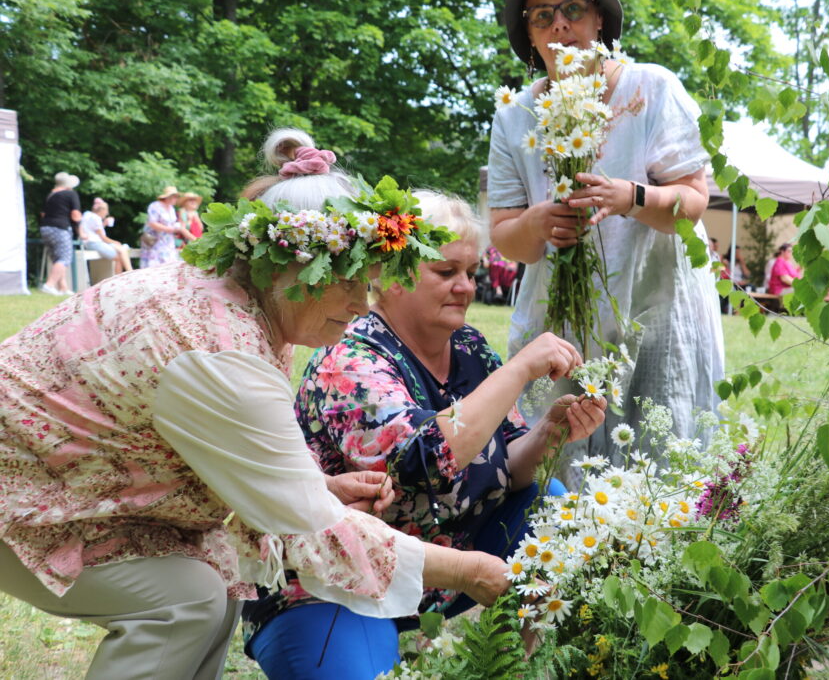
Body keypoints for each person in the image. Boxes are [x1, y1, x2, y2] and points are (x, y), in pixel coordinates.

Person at [0, 129, 511, 679]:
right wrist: (467, 571)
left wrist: (313, 491)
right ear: (288, 265)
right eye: (348, 283)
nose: (362, 305)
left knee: (208, 586)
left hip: (69, 485)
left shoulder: (234, 304)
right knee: (183, 601)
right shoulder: (217, 348)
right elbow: (314, 532)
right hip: (22, 495)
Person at [242, 190, 605, 679]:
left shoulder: (471, 348)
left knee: (552, 502)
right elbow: (426, 461)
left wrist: (548, 432)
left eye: (472, 273)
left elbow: (509, 469)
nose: (466, 287)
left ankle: (516, 664)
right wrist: (519, 369)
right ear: (391, 279)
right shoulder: (349, 360)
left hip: (441, 566)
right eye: (446, 272)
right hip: (331, 583)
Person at [488, 0, 724, 483]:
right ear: (530, 37)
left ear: (600, 19)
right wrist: (535, 224)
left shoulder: (650, 88)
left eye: (572, 7)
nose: (559, 25)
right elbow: (506, 237)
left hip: (654, 306)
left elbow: (694, 202)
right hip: (560, 319)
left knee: (658, 457)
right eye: (541, 16)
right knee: (555, 456)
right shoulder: (515, 116)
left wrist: (631, 197)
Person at [38, 171, 82, 295]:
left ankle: (63, 288)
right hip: (60, 228)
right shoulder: (70, 194)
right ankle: (49, 285)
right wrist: (81, 230)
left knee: (57, 259)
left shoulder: (50, 195)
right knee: (64, 258)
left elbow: (43, 214)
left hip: (45, 228)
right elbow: (75, 215)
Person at [140, 186, 195, 268]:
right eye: (175, 197)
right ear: (168, 197)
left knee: (169, 265)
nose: (177, 199)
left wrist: (177, 228)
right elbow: (152, 223)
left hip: (167, 241)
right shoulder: (155, 206)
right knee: (154, 266)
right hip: (154, 241)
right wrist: (170, 229)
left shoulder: (171, 209)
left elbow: (172, 224)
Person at [79, 198, 133, 274]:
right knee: (119, 257)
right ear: (102, 210)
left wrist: (104, 224)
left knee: (121, 250)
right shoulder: (96, 218)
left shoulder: (87, 214)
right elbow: (103, 238)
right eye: (106, 210)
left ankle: (129, 272)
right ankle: (128, 273)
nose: (107, 213)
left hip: (89, 243)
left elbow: (93, 231)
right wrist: (115, 242)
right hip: (95, 243)